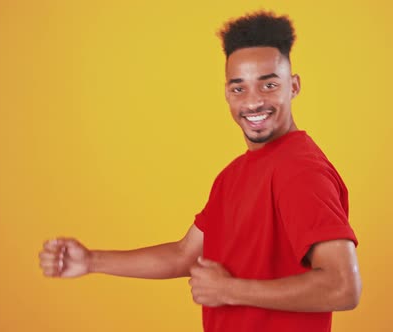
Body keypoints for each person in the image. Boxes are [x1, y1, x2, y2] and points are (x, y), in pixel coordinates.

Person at [39, 11, 361, 332]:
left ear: (293, 87)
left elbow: (343, 286)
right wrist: (91, 261)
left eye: (269, 85)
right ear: (226, 94)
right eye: (239, 89)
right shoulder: (232, 176)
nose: (253, 102)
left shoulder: (300, 170)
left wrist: (229, 290)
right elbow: (184, 255)